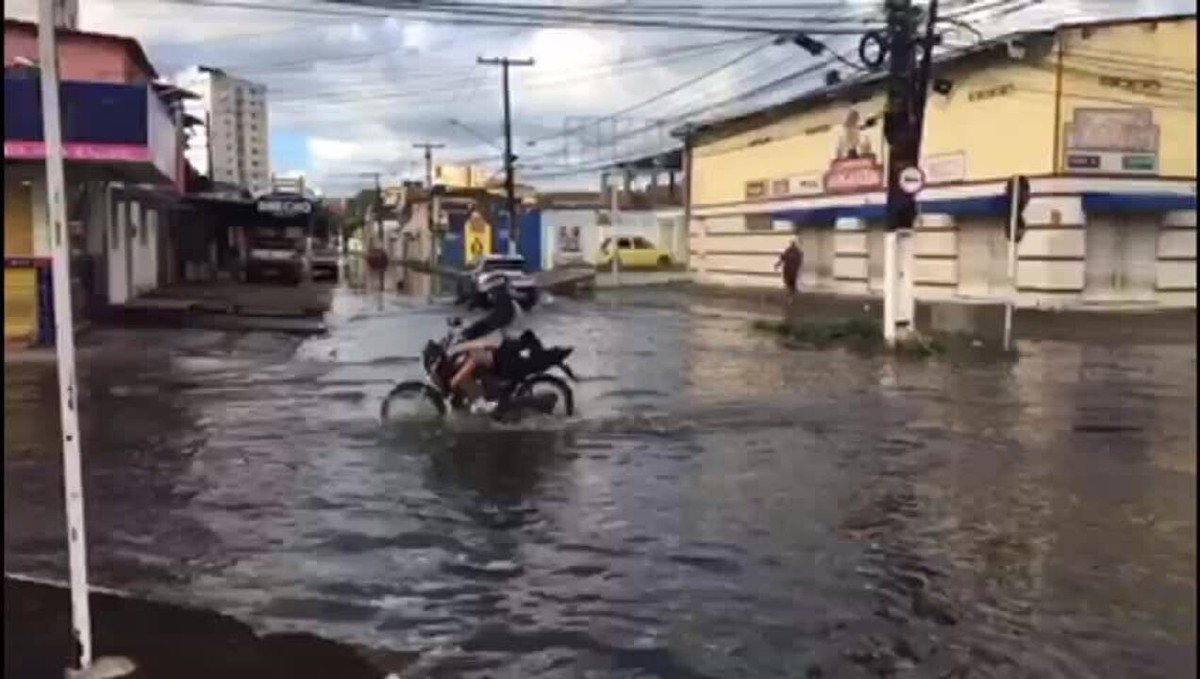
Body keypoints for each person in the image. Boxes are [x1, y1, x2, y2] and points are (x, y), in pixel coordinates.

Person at [448, 274, 529, 413]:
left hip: (511, 351)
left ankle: (481, 402)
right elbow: (489, 319)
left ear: (497, 291)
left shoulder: (506, 306)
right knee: (475, 351)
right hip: (514, 347)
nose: (490, 296)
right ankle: (481, 391)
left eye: (491, 293)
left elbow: (491, 322)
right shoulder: (508, 303)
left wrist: (469, 334)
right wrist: (469, 330)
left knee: (475, 357)